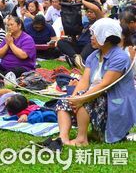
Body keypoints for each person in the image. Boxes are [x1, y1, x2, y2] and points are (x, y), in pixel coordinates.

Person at [56, 18, 136, 146]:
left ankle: (81, 139)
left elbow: (104, 85)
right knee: (65, 101)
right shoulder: (93, 56)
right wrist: (74, 97)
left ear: (106, 36)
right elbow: (84, 80)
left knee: (86, 99)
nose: (91, 37)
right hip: (96, 96)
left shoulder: (120, 58)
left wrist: (81, 98)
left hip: (113, 102)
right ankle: (63, 137)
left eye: (95, 34)